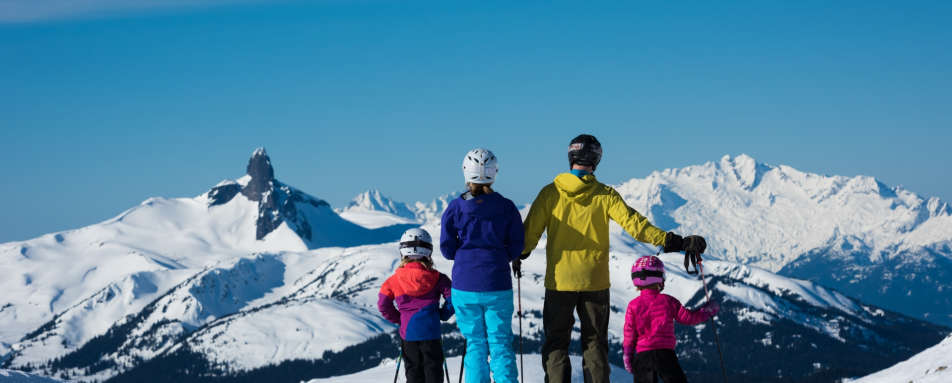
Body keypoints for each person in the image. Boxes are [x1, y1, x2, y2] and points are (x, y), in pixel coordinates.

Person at [516, 134, 707, 383]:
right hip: (595, 282)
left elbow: (529, 235)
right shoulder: (605, 194)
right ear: (596, 159)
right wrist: (675, 241)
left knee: (556, 343)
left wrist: (519, 253)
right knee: (595, 343)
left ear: (570, 157)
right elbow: (636, 226)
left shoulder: (550, 194)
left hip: (559, 282)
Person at [440, 148, 524, 383]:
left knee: (475, 343)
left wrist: (466, 257)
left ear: (466, 172)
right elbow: (517, 246)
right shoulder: (507, 207)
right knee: (499, 342)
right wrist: (498, 257)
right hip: (497, 282)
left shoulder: (456, 207)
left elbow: (447, 249)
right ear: (494, 173)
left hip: (465, 285)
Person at [623, 255, 719, 383]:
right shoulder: (668, 301)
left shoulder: (633, 305)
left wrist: (627, 356)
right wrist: (707, 311)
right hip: (666, 355)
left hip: (643, 357)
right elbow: (689, 318)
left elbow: (629, 334)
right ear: (659, 278)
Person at [378, 228, 454, 383]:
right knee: (433, 373)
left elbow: (383, 304)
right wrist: (443, 314)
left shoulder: (393, 280)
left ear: (403, 252)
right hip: (432, 333)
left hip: (409, 334)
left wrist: (400, 318)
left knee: (413, 373)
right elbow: (454, 298)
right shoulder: (439, 278)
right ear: (428, 252)